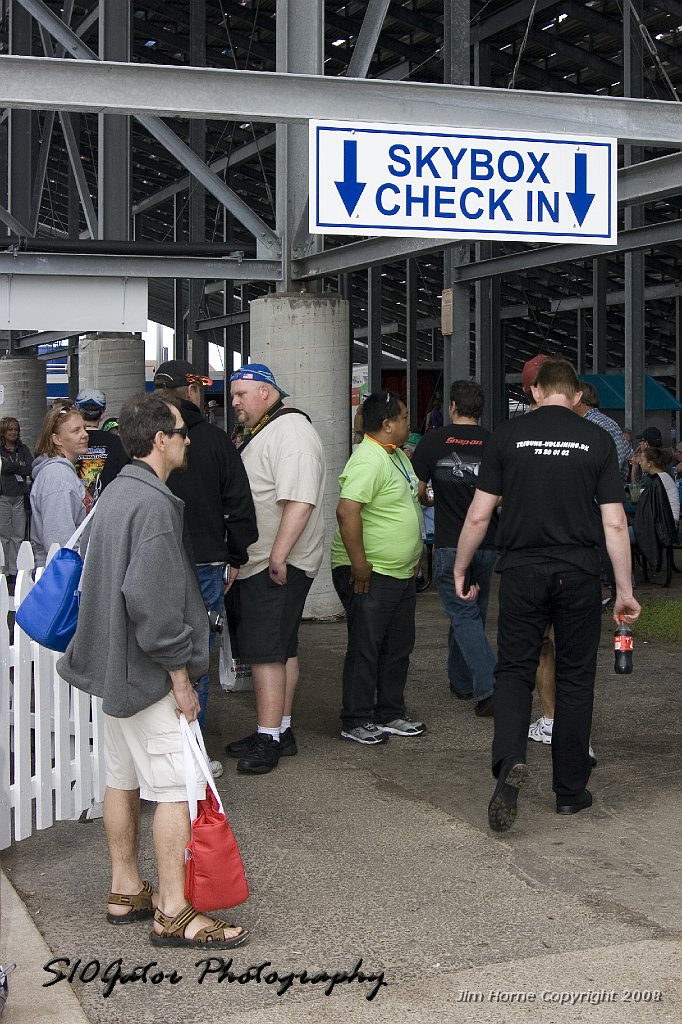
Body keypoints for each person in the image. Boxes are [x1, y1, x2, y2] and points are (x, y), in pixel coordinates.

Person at [57, 393, 249, 950]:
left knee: (122, 778)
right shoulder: (155, 506)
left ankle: (125, 889)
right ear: (159, 440)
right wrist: (183, 681)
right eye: (182, 431)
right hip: (149, 677)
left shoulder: (116, 492)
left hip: (114, 671)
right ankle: (173, 909)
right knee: (174, 790)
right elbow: (155, 606)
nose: (189, 439)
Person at [454, 359, 640, 831]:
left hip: (521, 571)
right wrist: (624, 589)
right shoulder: (597, 439)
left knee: (515, 671)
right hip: (577, 573)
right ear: (576, 395)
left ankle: (509, 764)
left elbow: (478, 516)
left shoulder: (507, 437)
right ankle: (570, 792)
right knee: (576, 677)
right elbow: (614, 521)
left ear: (535, 392)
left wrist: (461, 566)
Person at [153, 359, 258, 775]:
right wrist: (236, 555)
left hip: (152, 562)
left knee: (150, 650)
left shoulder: (133, 440)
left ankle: (156, 750)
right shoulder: (215, 441)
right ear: (191, 391)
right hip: (206, 562)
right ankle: (190, 754)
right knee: (195, 657)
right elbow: (239, 504)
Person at [224, 364, 326, 774]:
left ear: (266, 392)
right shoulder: (270, 430)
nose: (234, 403)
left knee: (267, 652)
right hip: (267, 561)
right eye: (233, 396)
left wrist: (279, 556)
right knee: (281, 648)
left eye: (240, 394)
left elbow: (299, 501)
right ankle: (279, 731)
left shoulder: (291, 431)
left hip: (275, 563)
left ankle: (268, 738)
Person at [331, 391, 425, 744]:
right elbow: (347, 511)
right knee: (366, 646)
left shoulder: (397, 454)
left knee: (398, 645)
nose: (408, 421)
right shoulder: (368, 458)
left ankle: (390, 713)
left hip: (398, 571)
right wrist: (359, 564)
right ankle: (355, 718)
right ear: (387, 425)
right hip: (371, 572)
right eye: (402, 416)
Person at [412, 380, 496, 716]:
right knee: (474, 614)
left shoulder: (432, 443)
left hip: (450, 542)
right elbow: (502, 494)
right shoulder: (494, 443)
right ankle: (461, 683)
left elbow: (418, 490)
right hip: (488, 542)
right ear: (480, 409)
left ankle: (490, 687)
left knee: (463, 615)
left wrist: (430, 498)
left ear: (452, 407)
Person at [30, 407, 89, 566]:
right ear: (57, 439)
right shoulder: (58, 476)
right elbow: (60, 543)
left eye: (84, 428)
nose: (85, 434)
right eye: (76, 431)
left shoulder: (61, 472)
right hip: (64, 576)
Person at [74, 388, 129, 511]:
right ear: (103, 414)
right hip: (108, 512)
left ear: (77, 411)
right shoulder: (118, 443)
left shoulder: (65, 441)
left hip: (73, 512)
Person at [0, 418, 33, 580]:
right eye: (10, 430)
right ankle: (3, 569)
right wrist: (18, 465)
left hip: (20, 495)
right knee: (4, 535)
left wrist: (13, 466)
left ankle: (14, 570)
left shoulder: (23, 448)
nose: (13, 433)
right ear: (3, 432)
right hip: (3, 495)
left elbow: (30, 467)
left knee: (18, 535)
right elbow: (3, 468)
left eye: (16, 430)